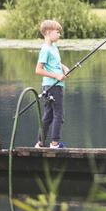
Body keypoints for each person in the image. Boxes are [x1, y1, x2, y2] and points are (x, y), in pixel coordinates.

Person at [34, 19, 69, 149]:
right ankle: (55, 143)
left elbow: (55, 63)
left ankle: (40, 143)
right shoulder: (45, 49)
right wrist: (57, 76)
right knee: (58, 115)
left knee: (48, 115)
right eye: (57, 32)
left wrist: (64, 68)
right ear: (48, 33)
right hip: (52, 87)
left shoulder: (54, 47)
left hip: (55, 86)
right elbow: (38, 70)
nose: (59, 34)